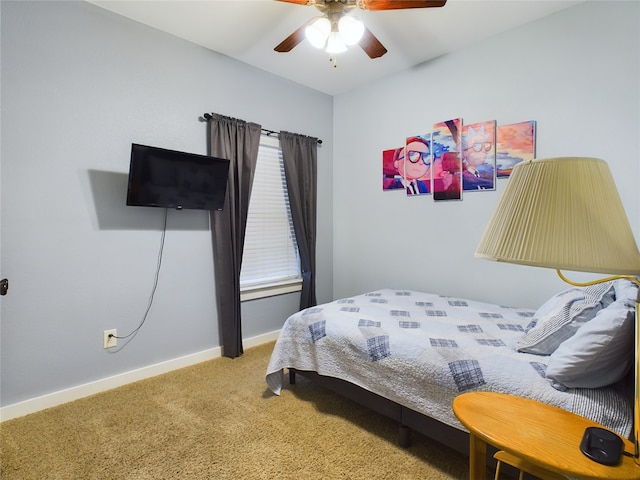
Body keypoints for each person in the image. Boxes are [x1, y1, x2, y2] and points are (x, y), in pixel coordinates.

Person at [462, 125, 494, 191]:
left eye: (486, 146)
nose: (483, 151)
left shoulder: (484, 175)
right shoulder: (463, 178)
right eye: (477, 146)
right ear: (465, 152)